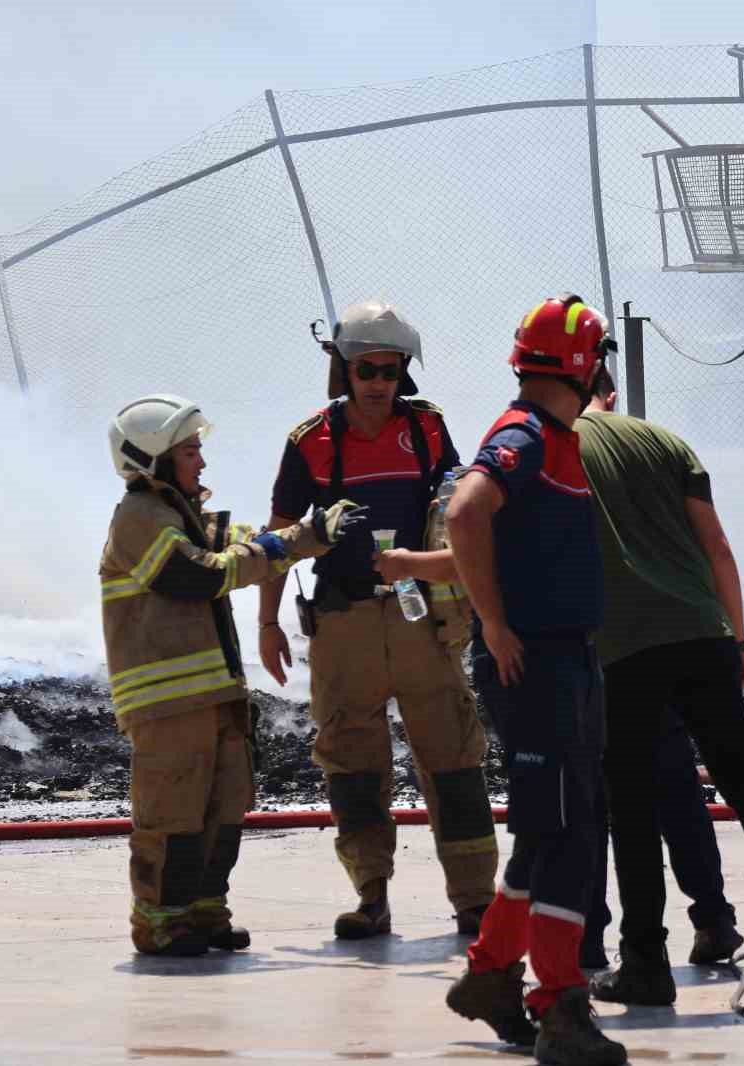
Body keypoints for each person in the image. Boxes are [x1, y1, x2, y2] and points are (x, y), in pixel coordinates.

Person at [576, 367, 744, 1005]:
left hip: (625, 650)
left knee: (631, 807)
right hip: (705, 635)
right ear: (611, 393)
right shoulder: (667, 442)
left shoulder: (556, 450)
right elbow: (717, 546)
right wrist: (738, 640)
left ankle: (645, 965)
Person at [257, 301, 498, 941]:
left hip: (425, 622)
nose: (379, 383)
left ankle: (475, 900)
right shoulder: (309, 441)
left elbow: (463, 512)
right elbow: (279, 536)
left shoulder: (426, 429)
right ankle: (371, 897)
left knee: (454, 757)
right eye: (367, 369)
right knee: (353, 763)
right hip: (345, 625)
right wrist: (267, 622)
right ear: (344, 368)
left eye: (390, 371)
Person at [100, 394, 363, 956]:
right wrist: (298, 539)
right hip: (168, 706)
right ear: (153, 458)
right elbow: (201, 576)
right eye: (190, 450)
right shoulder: (139, 519)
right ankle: (161, 922)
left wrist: (314, 530)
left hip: (211, 696)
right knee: (171, 816)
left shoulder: (183, 516)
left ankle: (204, 914)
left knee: (221, 810)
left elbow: (249, 542)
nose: (201, 461)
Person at [444, 295, 626, 1066]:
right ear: (582, 365)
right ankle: (558, 1005)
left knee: (554, 831)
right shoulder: (522, 437)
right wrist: (492, 622)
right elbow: (463, 514)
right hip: (536, 664)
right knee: (568, 840)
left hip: (566, 660)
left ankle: (491, 975)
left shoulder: (560, 439)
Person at [580, 709, 743, 973]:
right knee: (678, 792)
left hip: (600, 691)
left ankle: (592, 940)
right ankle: (714, 920)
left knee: (601, 809)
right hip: (659, 686)